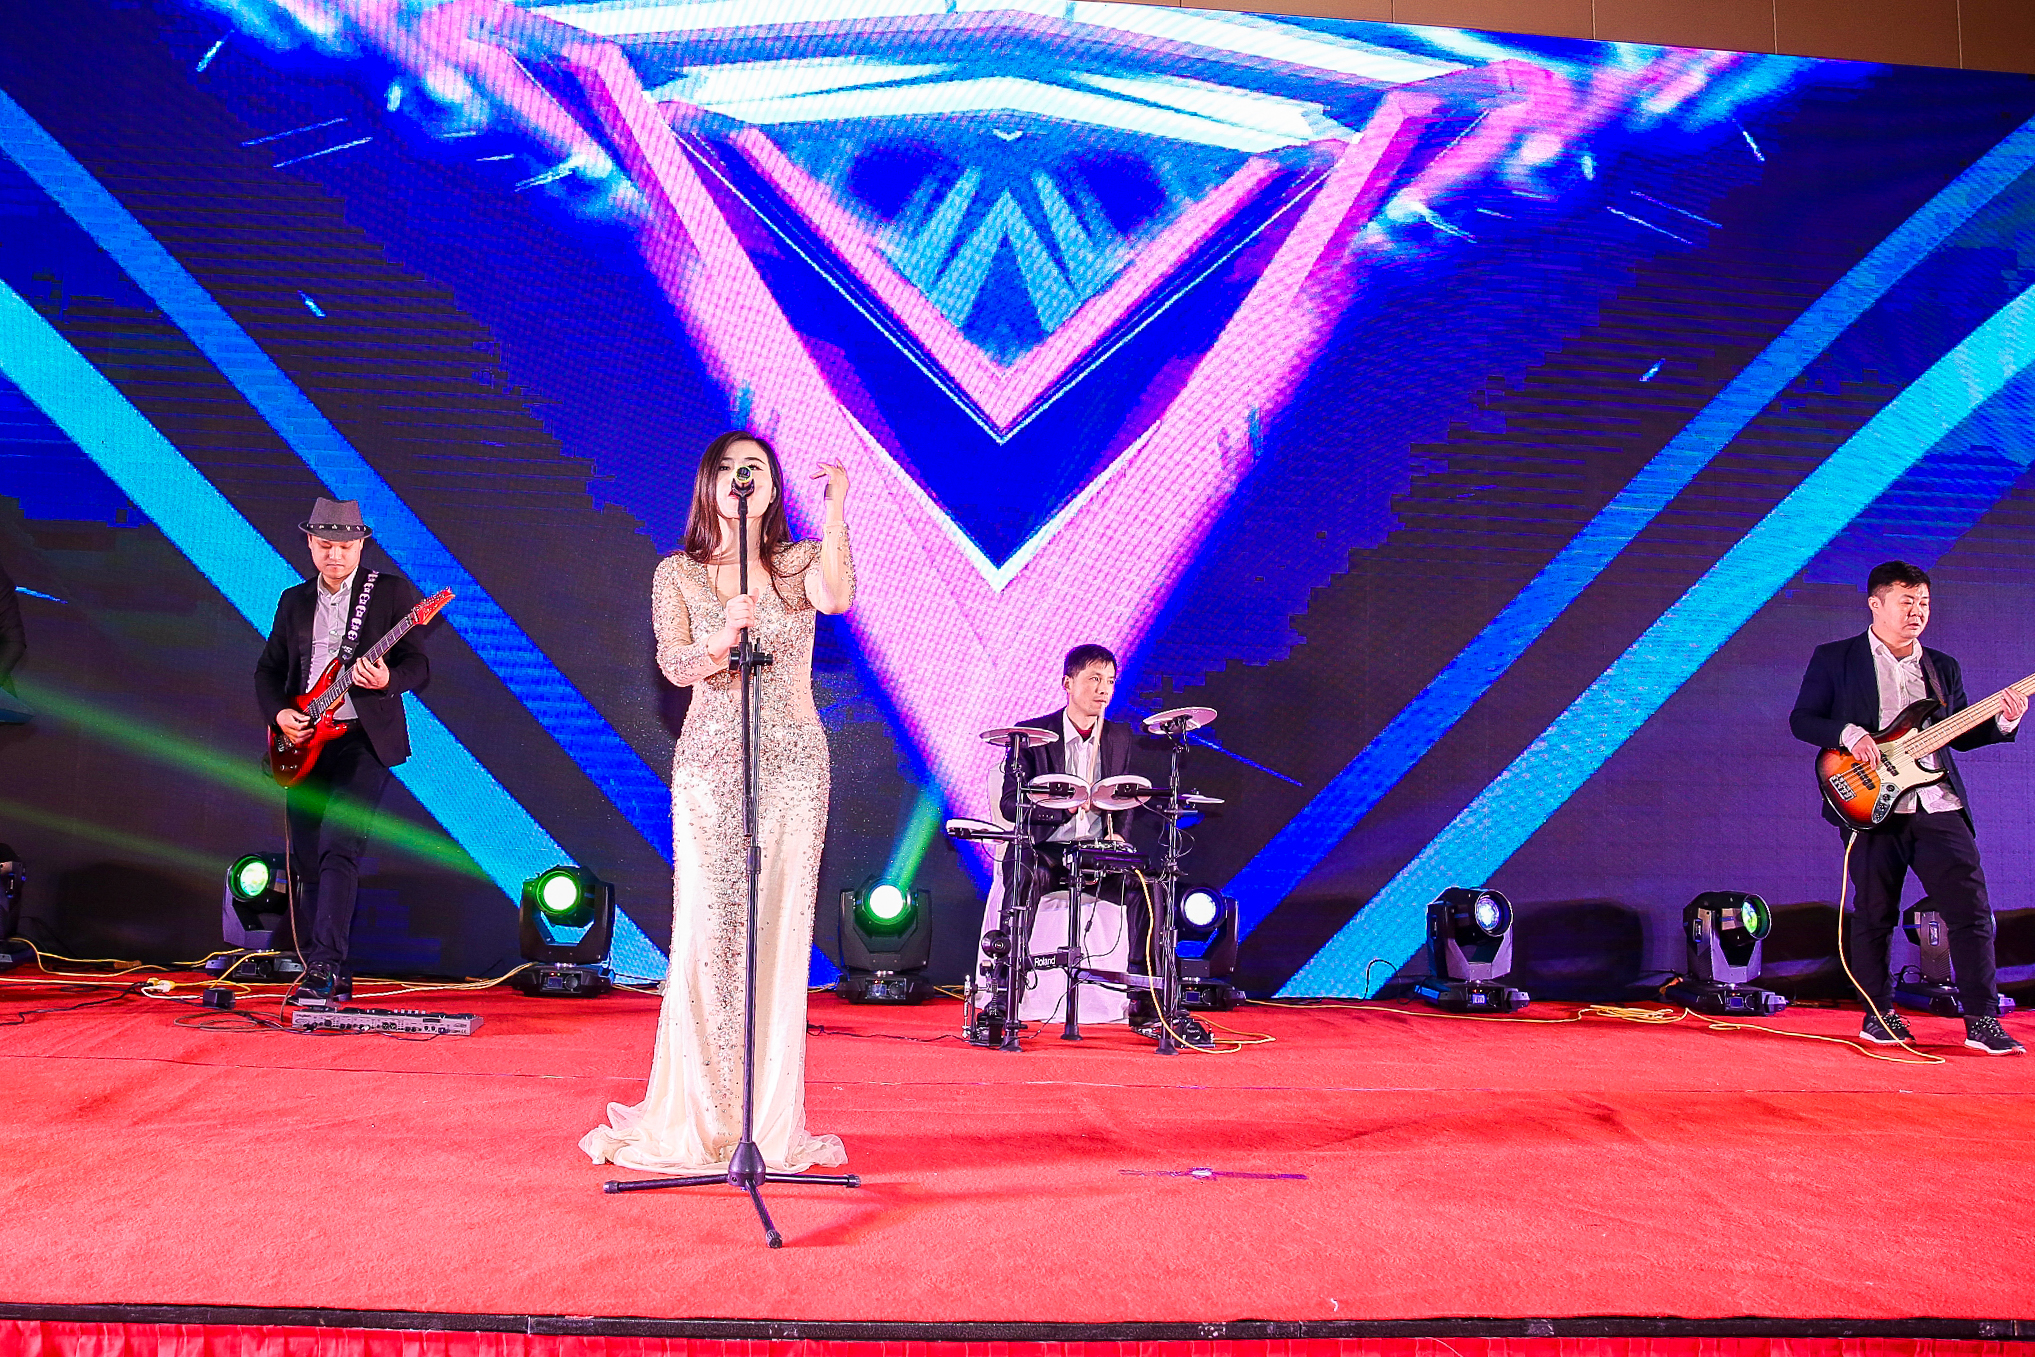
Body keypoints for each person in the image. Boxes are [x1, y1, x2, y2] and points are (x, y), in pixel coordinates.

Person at [582, 431, 854, 1174]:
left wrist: (836, 508)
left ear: (772, 487)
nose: (743, 478)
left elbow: (836, 596)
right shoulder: (677, 573)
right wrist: (720, 640)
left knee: (778, 929)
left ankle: (764, 1122)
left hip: (794, 763)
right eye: (730, 468)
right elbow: (673, 664)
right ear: (710, 484)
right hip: (709, 762)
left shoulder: (796, 563)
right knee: (710, 930)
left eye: (755, 468)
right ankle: (701, 1117)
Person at [1789, 560, 2026, 1055]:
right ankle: (1879, 1016)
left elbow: (1961, 735)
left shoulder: (1941, 667)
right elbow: (1803, 719)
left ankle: (1981, 1019)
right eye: (1906, 601)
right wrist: (1849, 734)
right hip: (1872, 806)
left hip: (1937, 805)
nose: (1917, 611)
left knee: (1972, 913)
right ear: (1875, 604)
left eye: (1924, 603)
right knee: (1875, 914)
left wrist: (2004, 721)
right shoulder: (1836, 658)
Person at [255, 498, 432, 1004]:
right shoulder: (293, 600)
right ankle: (330, 968)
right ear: (311, 544)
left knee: (339, 845)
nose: (335, 556)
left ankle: (324, 967)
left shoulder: (389, 592)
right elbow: (267, 671)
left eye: (346, 547)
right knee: (309, 855)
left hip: (364, 740)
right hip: (305, 739)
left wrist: (387, 679)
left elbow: (419, 666)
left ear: (361, 545)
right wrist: (280, 715)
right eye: (326, 546)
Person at [981, 644, 1199, 1041]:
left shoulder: (1118, 735)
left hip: (1095, 853)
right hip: (1046, 850)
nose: (1103, 690)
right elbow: (1011, 804)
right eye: (1094, 679)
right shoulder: (1031, 735)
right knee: (1024, 872)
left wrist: (1119, 835)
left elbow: (1126, 795)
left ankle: (1146, 1004)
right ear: (1068, 683)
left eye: (1110, 682)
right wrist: (1060, 807)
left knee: (1151, 886)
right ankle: (1005, 995)